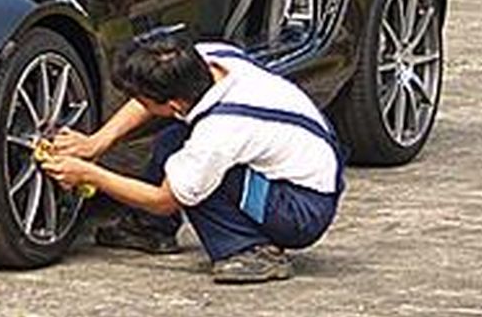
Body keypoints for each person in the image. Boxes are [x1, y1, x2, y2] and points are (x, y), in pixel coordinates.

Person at [42, 33, 345, 284]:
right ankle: (149, 229)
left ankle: (251, 251)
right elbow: (148, 100)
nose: (138, 102)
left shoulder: (220, 132)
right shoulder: (209, 59)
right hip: (304, 166)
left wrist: (90, 175)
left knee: (195, 179)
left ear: (174, 104)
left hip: (302, 208)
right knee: (173, 141)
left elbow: (165, 199)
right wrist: (97, 143)